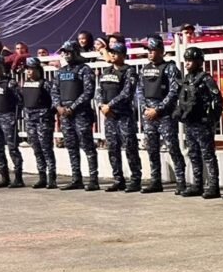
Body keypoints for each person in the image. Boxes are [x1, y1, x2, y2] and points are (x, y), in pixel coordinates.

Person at [139, 35, 186, 194]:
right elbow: (140, 91)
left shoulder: (170, 68)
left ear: (161, 51)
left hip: (165, 115)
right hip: (149, 115)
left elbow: (174, 91)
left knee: (173, 148)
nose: (150, 53)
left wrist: (158, 109)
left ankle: (181, 182)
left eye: (153, 50)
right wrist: (146, 108)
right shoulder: (144, 69)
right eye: (148, 50)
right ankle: (155, 181)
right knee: (152, 149)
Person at [50, 40, 99, 191]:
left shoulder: (85, 70)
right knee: (71, 147)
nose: (66, 55)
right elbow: (54, 91)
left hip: (81, 114)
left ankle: (93, 180)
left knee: (88, 147)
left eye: (69, 52)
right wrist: (59, 107)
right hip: (65, 115)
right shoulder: (60, 72)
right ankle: (76, 179)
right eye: (64, 52)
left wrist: (73, 107)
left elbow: (88, 92)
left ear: (76, 52)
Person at [177, 46, 223, 198]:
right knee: (193, 154)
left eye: (190, 61)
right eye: (186, 60)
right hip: (190, 122)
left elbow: (217, 99)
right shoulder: (187, 79)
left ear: (198, 62)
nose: (187, 63)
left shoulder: (206, 79)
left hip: (203, 123)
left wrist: (212, 118)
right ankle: (197, 184)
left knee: (208, 155)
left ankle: (213, 186)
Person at [97, 40, 142, 193]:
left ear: (123, 55)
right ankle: (118, 179)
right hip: (109, 116)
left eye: (116, 52)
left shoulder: (129, 71)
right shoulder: (107, 71)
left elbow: (127, 93)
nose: (113, 55)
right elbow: (99, 90)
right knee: (113, 148)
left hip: (124, 116)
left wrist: (110, 105)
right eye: (111, 52)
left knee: (130, 147)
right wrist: (102, 106)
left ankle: (135, 180)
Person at [0, 55, 24, 188]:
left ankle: (18, 178)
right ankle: (4, 178)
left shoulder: (10, 83)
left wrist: (15, 117)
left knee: (13, 148)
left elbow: (20, 101)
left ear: (3, 67)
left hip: (8, 118)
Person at [18, 57, 58, 189]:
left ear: (38, 70)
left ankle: (51, 178)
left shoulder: (46, 84)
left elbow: (54, 101)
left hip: (43, 120)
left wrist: (47, 114)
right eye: (27, 69)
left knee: (46, 149)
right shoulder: (25, 84)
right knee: (36, 149)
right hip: (30, 120)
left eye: (31, 69)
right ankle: (42, 177)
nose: (29, 72)